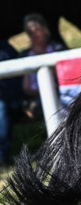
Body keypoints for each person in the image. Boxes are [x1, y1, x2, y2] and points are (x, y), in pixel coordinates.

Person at [20, 14, 65, 122]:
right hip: (34, 98)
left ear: (44, 29)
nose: (34, 35)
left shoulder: (58, 49)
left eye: (36, 30)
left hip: (60, 94)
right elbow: (25, 88)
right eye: (30, 33)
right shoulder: (25, 55)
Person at [0, 40, 21, 168]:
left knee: (1, 108)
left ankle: (2, 157)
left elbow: (17, 80)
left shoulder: (6, 50)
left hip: (8, 98)